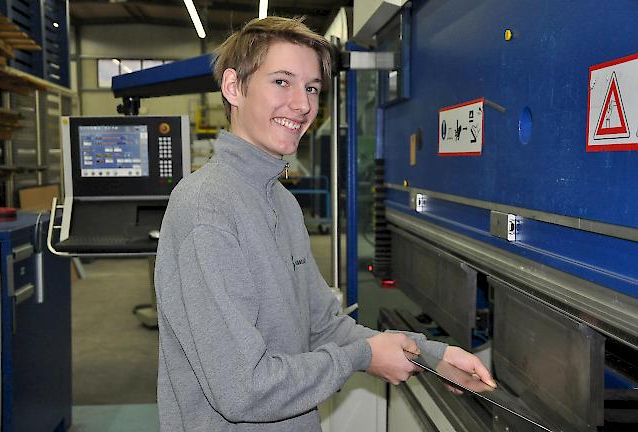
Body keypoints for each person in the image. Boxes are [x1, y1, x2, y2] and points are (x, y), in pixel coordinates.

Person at [154, 16, 495, 432]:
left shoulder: (281, 201)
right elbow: (243, 389)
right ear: (233, 87)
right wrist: (363, 357)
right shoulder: (206, 209)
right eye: (282, 81)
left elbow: (322, 326)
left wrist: (431, 355)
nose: (303, 105)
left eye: (312, 88)